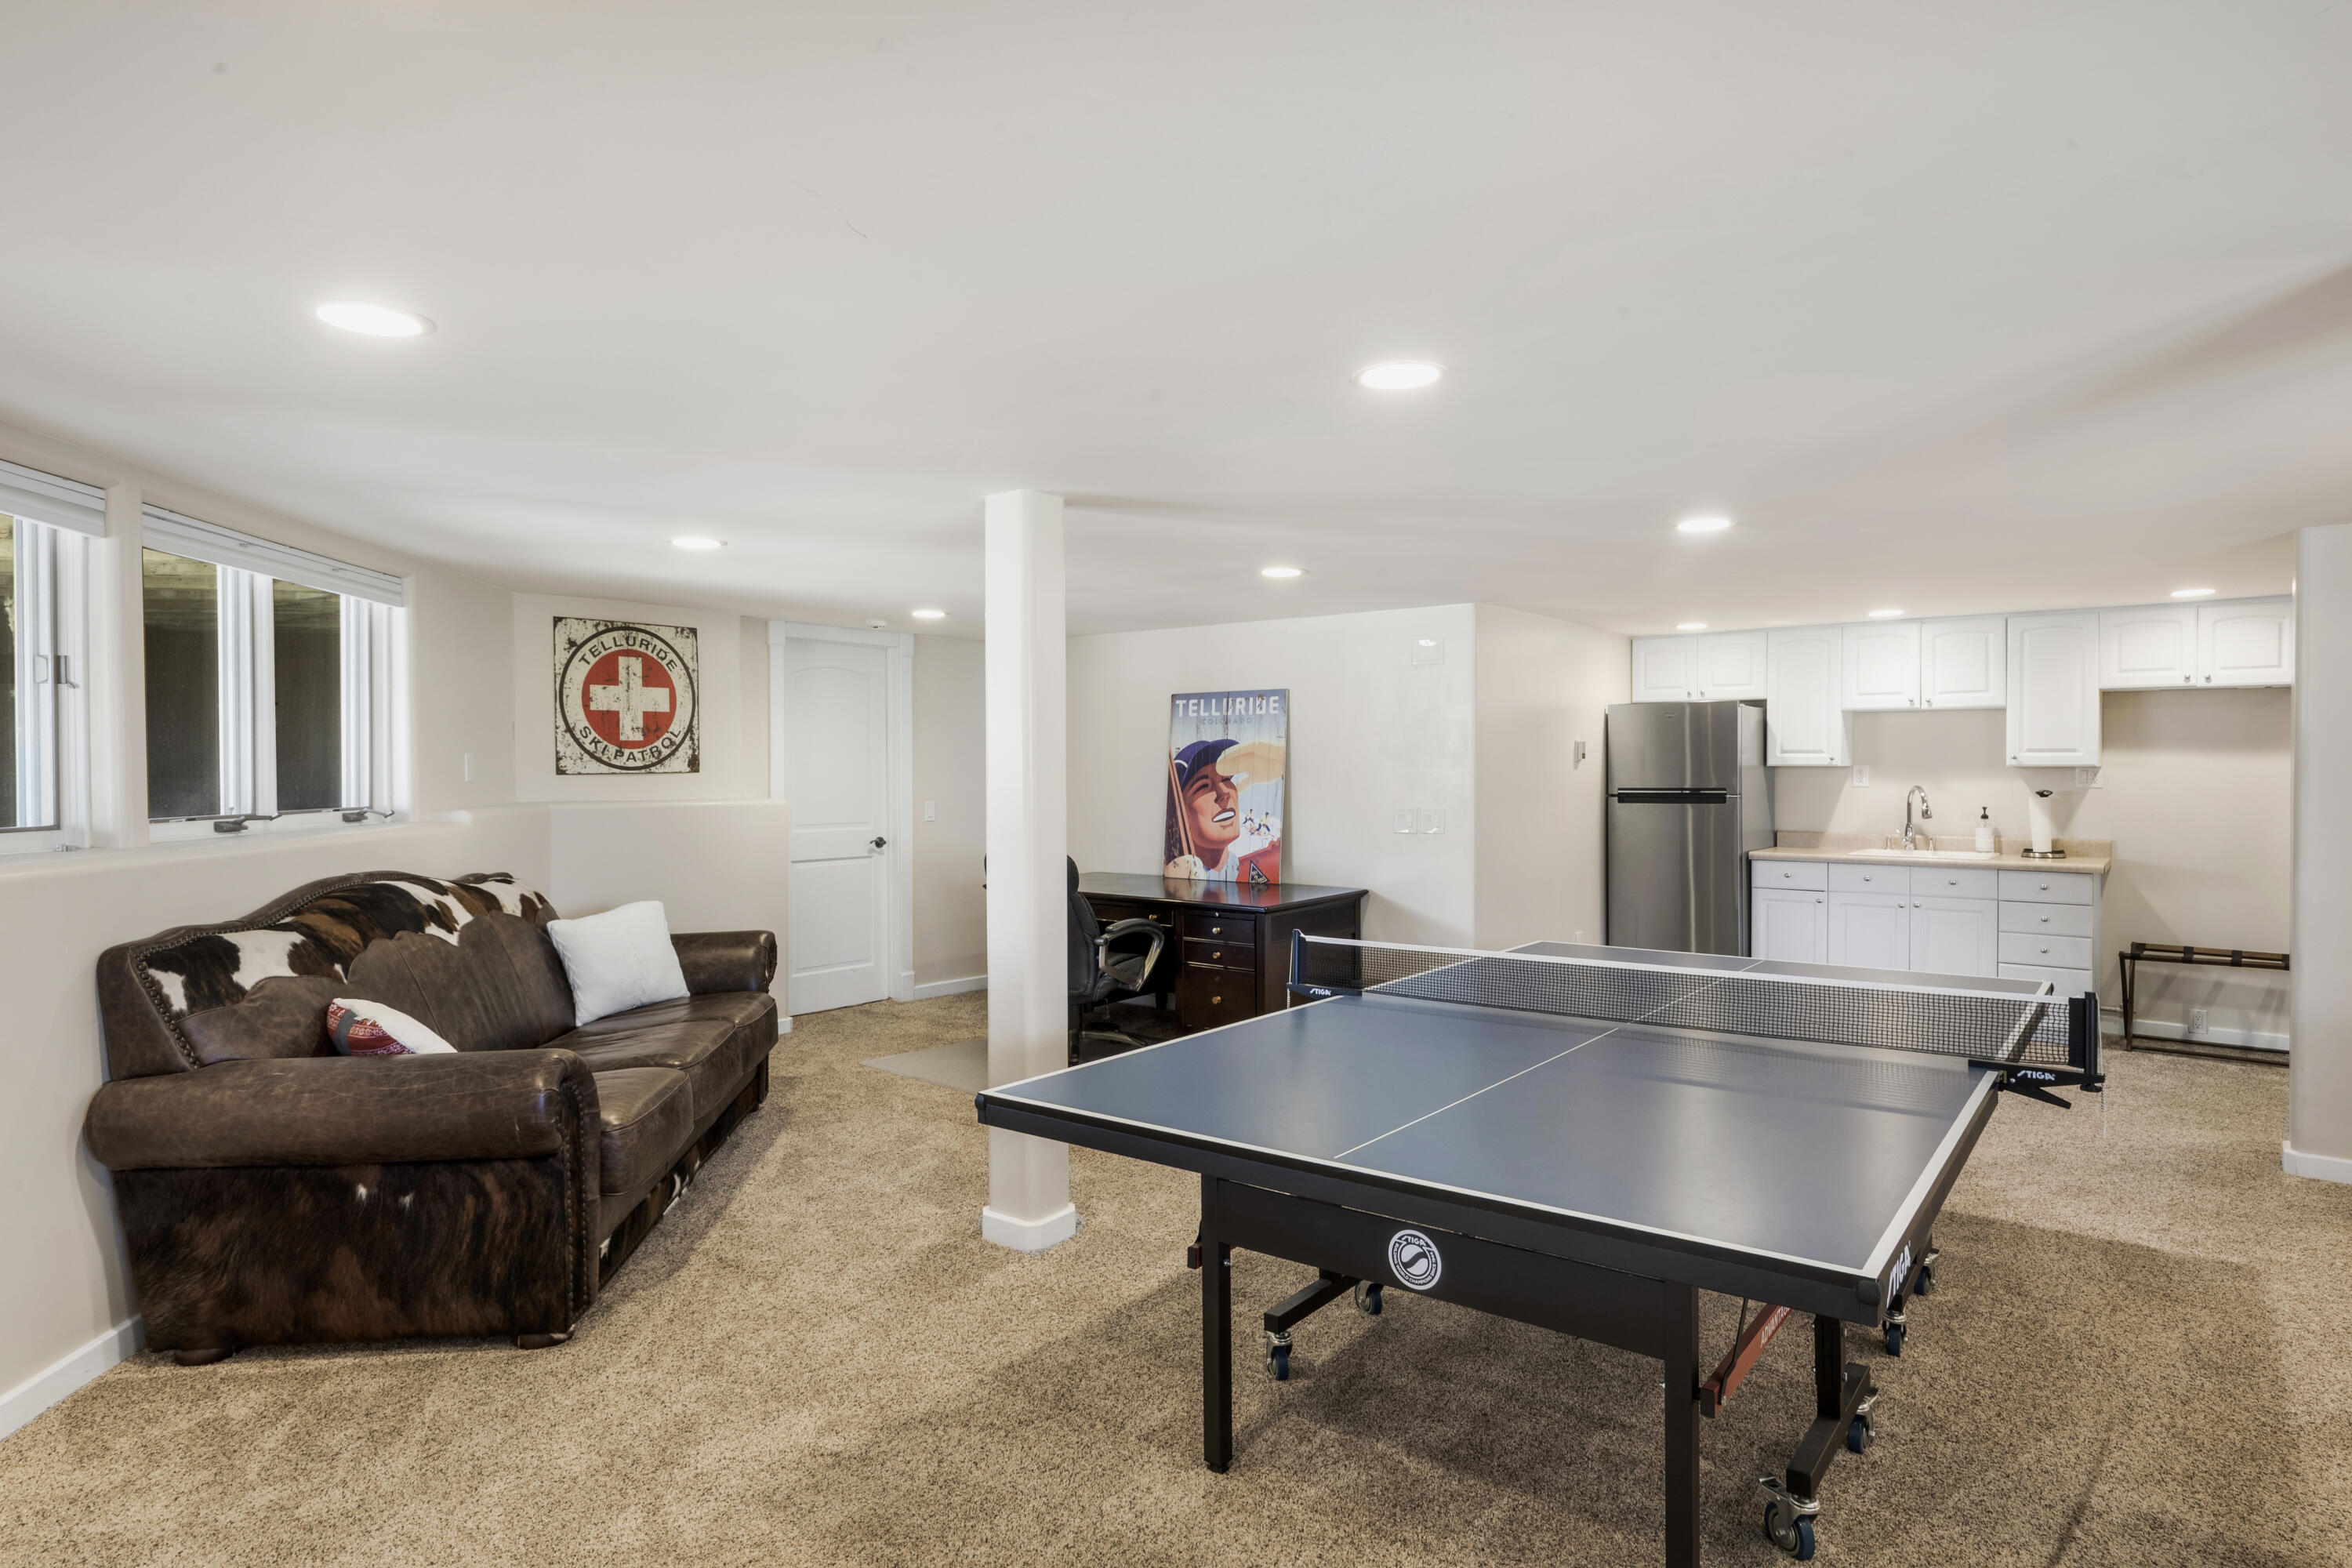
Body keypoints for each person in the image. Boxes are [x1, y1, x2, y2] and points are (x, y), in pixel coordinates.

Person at [1165, 739, 1279, 883]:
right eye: (1202, 786)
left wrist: (1280, 768)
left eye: (1226, 780)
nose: (1224, 793)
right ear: (1180, 810)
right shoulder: (1178, 882)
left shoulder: (1259, 867)